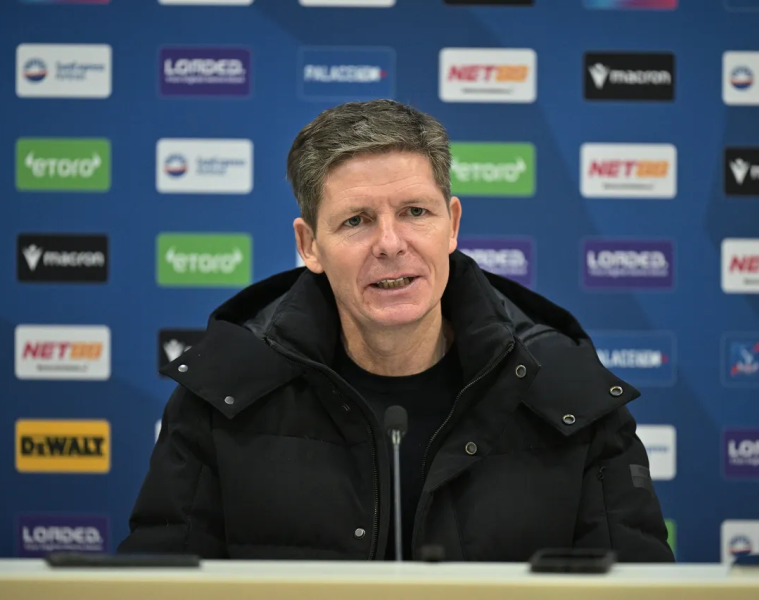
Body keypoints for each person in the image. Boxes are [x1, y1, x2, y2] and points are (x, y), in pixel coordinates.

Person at [118, 99, 674, 562]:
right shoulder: (222, 393)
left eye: (414, 212)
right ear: (310, 245)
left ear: (452, 225)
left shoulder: (569, 392)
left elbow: (638, 590)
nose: (389, 244)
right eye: (356, 220)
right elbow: (156, 588)